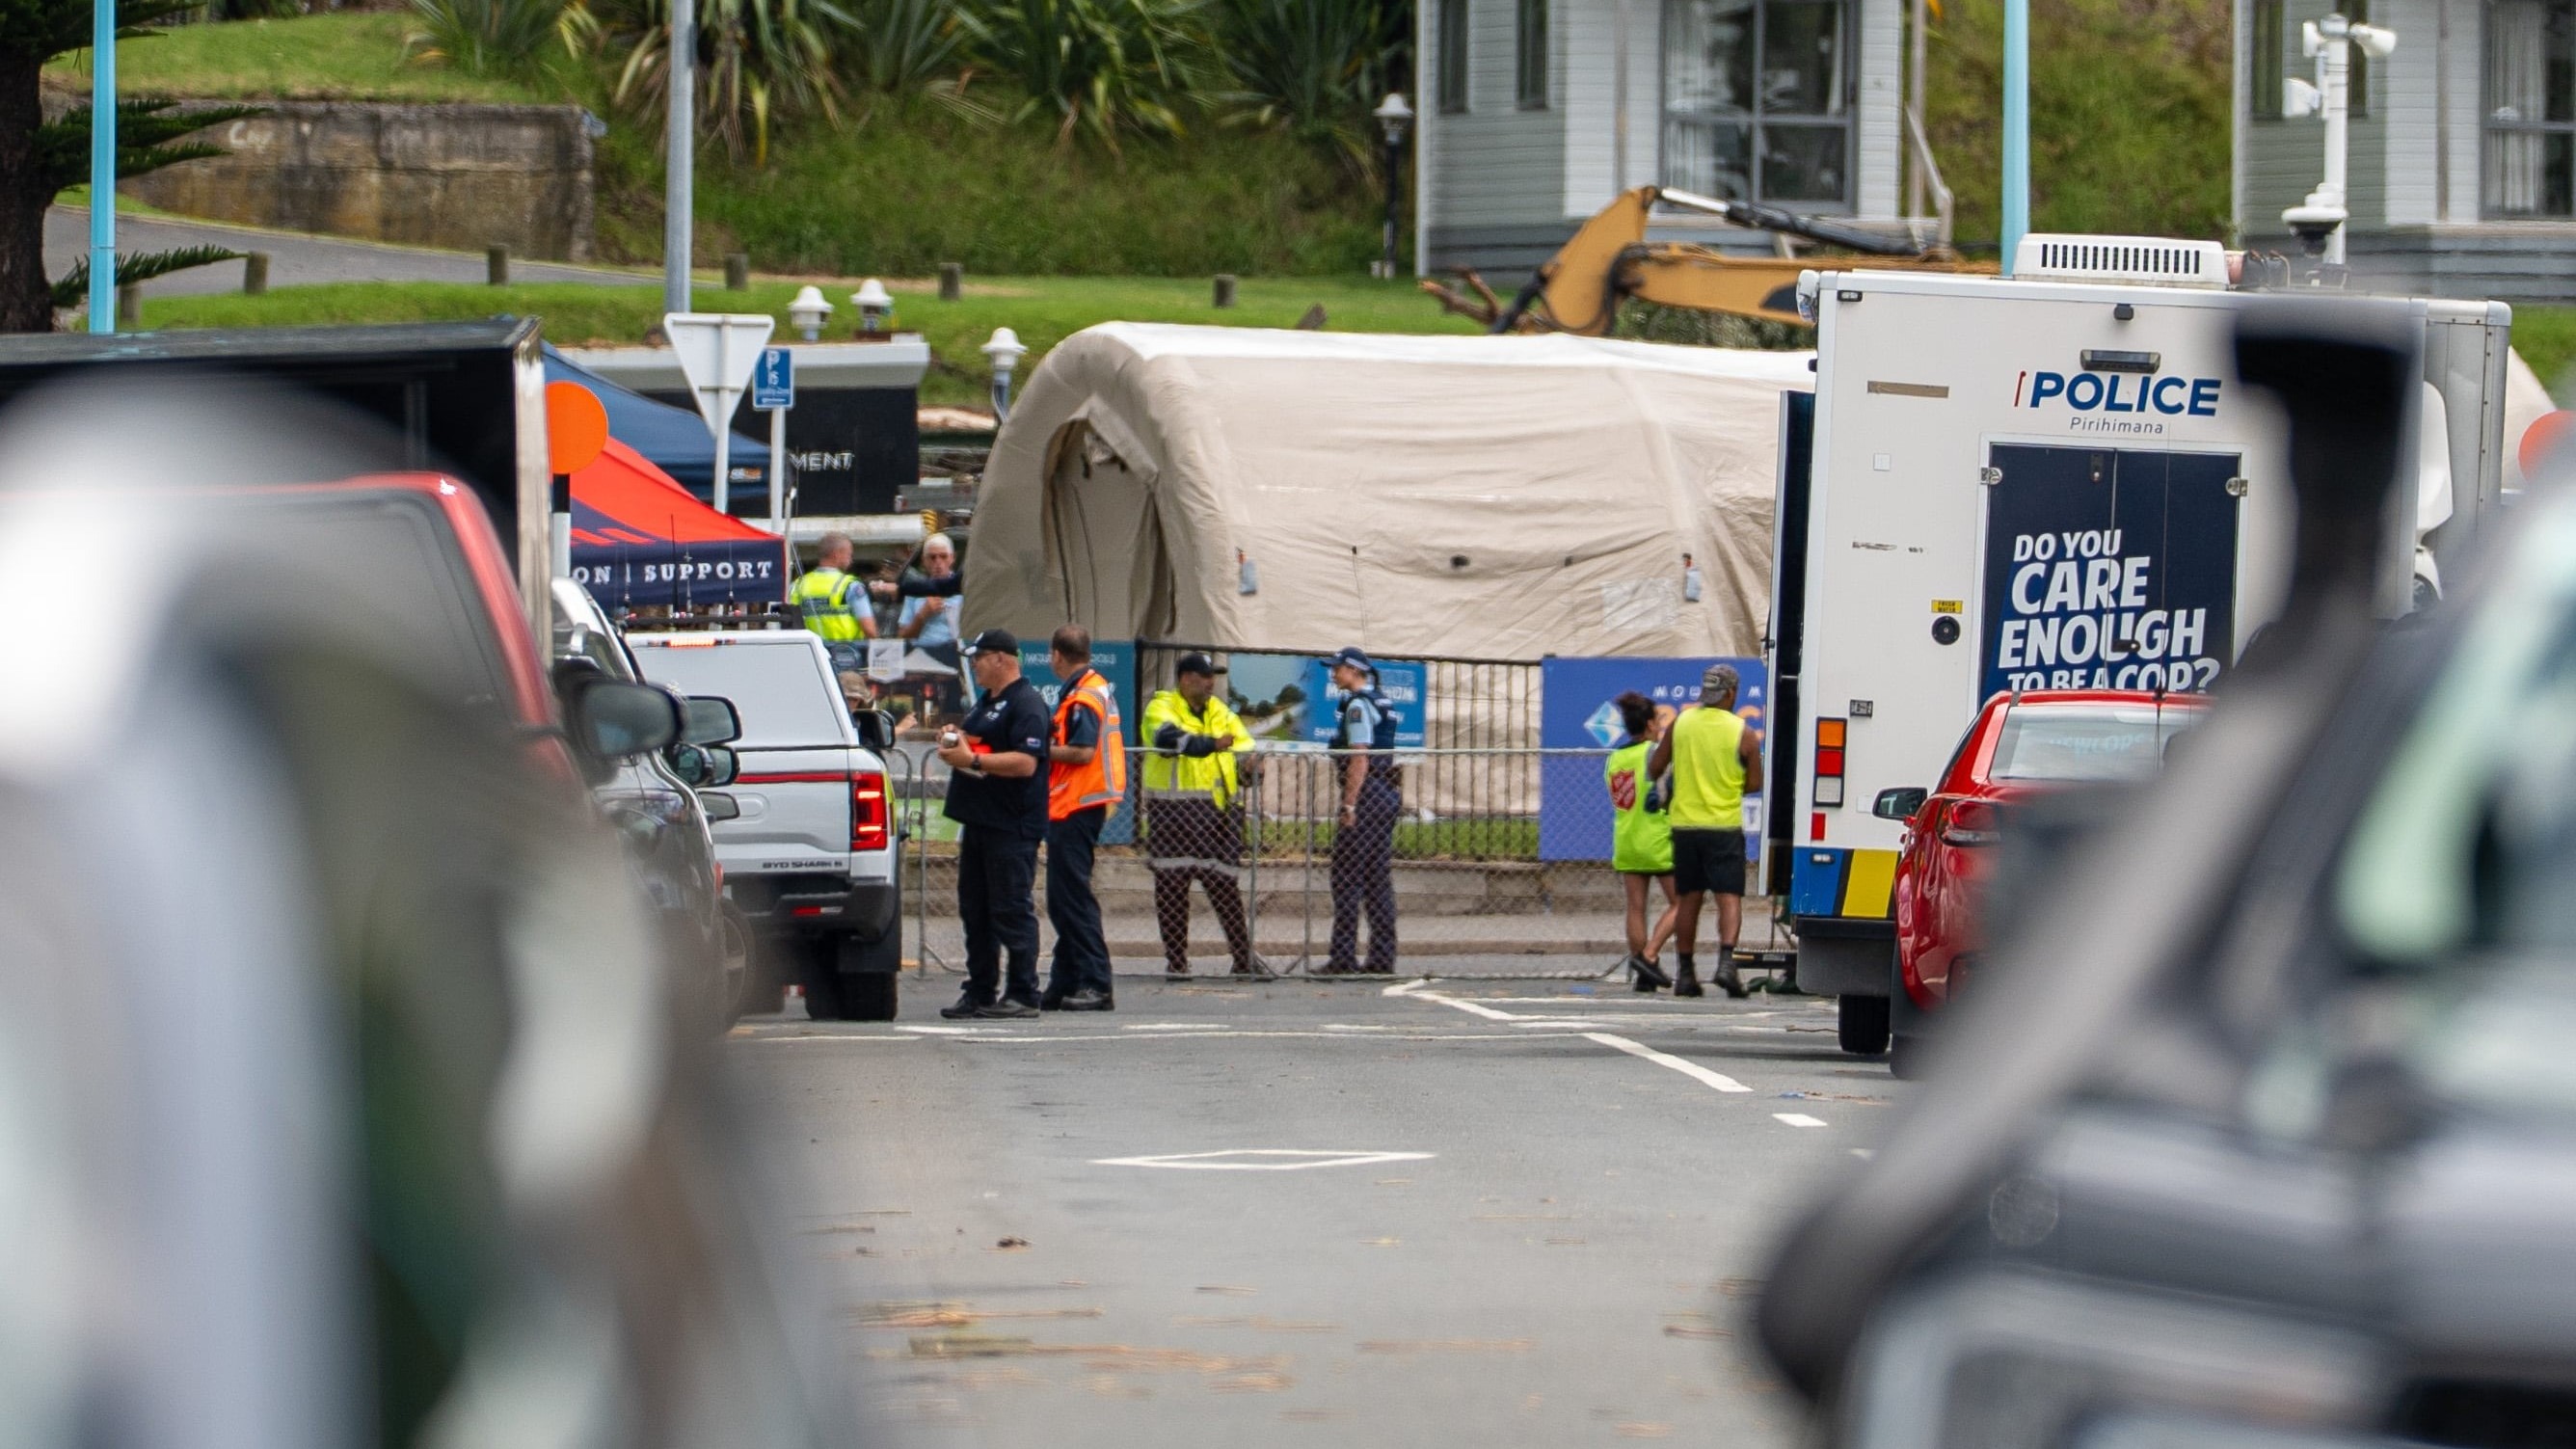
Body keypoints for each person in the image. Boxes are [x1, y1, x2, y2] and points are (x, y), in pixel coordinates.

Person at [934, 629, 1053, 1019]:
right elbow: (979, 740)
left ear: (1001, 658)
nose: (974, 665)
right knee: (977, 911)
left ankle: (1022, 992)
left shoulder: (1027, 704)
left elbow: (1025, 761)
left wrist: (974, 762)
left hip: (1011, 824)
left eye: (979, 658)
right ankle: (981, 989)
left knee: (1010, 909)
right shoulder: (987, 702)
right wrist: (955, 738)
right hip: (980, 821)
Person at [1139, 654, 1261, 979]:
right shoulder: (1162, 706)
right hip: (1174, 816)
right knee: (1172, 890)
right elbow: (1166, 738)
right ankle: (1177, 963)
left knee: (1225, 888)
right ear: (1185, 678)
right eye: (1204, 676)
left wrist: (1250, 767)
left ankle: (1243, 960)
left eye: (1213, 677)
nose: (1211, 683)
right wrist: (1211, 744)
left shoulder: (1221, 712)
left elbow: (1245, 750)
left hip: (1218, 818)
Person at [1648, 663, 1763, 999]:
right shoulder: (1742, 732)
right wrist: (1728, 785)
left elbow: (1655, 766)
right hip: (1723, 825)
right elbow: (1755, 782)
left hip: (1684, 825)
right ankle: (1726, 962)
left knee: (1688, 899)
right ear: (1730, 693)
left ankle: (1686, 973)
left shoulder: (1681, 723)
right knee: (1729, 897)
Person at [1041, 626, 1126, 1012]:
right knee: (1065, 899)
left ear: (1057, 655)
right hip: (1079, 804)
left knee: (1072, 899)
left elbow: (1080, 752)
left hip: (1077, 804)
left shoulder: (1082, 697)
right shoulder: (1091, 689)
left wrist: (1036, 750)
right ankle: (1066, 981)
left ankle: (1095, 982)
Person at [1321, 646, 1399, 975]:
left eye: (1338, 668)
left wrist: (1349, 804)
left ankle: (1342, 958)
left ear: (1353, 670)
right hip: (1385, 794)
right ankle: (1381, 957)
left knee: (1347, 877)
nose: (1334, 673)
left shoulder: (1358, 706)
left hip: (1367, 796)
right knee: (1376, 878)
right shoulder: (1381, 700)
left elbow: (1359, 757)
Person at [1604, 691, 1679, 993]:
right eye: (1658, 722)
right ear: (1649, 724)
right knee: (1682, 901)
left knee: (1636, 907)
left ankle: (1642, 971)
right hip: (1658, 838)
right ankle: (1650, 957)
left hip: (1627, 838)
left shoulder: (1615, 758)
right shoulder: (1655, 753)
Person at [788, 531, 871, 673]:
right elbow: (869, 629)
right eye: (849, 554)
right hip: (848, 659)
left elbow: (789, 624)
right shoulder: (850, 585)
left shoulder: (798, 585)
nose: (851, 560)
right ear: (837, 554)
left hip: (810, 658)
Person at [893, 533, 963, 669]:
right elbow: (902, 639)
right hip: (922, 660)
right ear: (924, 561)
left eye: (943, 556)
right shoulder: (915, 592)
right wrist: (922, 616)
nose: (938, 562)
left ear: (952, 558)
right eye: (932, 557)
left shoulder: (963, 589)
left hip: (957, 657)